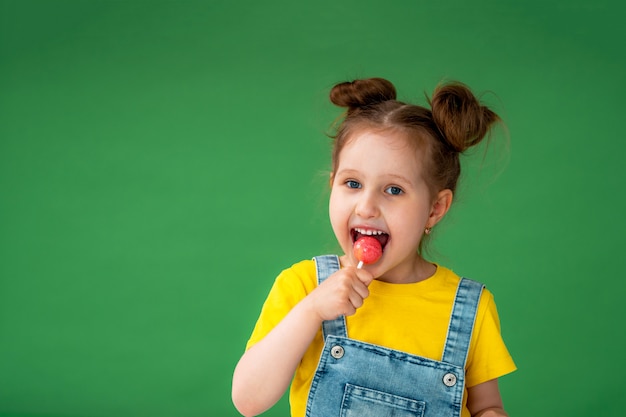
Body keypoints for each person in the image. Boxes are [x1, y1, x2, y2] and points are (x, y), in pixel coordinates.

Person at [232, 77, 516, 417]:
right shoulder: (304, 285)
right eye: (352, 183)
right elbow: (248, 401)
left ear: (435, 208)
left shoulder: (471, 309)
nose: (366, 206)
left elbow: (489, 407)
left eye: (393, 190)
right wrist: (312, 311)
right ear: (332, 184)